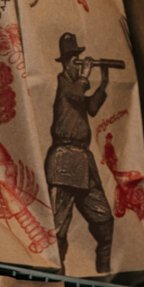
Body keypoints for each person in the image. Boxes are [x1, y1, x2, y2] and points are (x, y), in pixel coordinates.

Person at [44, 31, 114, 271]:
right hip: (64, 161)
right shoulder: (65, 84)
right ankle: (56, 277)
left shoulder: (76, 89)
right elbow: (77, 92)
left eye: (79, 59)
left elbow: (92, 107)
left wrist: (103, 82)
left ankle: (104, 270)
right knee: (58, 228)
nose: (78, 64)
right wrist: (85, 75)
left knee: (104, 220)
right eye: (74, 60)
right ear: (65, 62)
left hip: (82, 161)